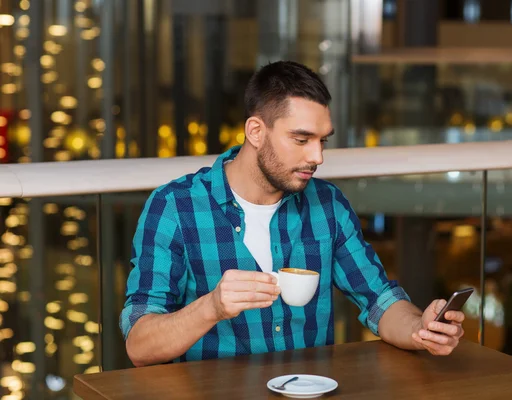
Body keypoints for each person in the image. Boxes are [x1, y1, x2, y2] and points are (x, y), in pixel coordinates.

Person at [120, 61, 465, 367]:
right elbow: (140, 345)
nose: (318, 157)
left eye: (322, 141)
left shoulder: (328, 205)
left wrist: (421, 329)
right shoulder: (175, 208)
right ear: (256, 131)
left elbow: (379, 299)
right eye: (302, 140)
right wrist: (211, 307)